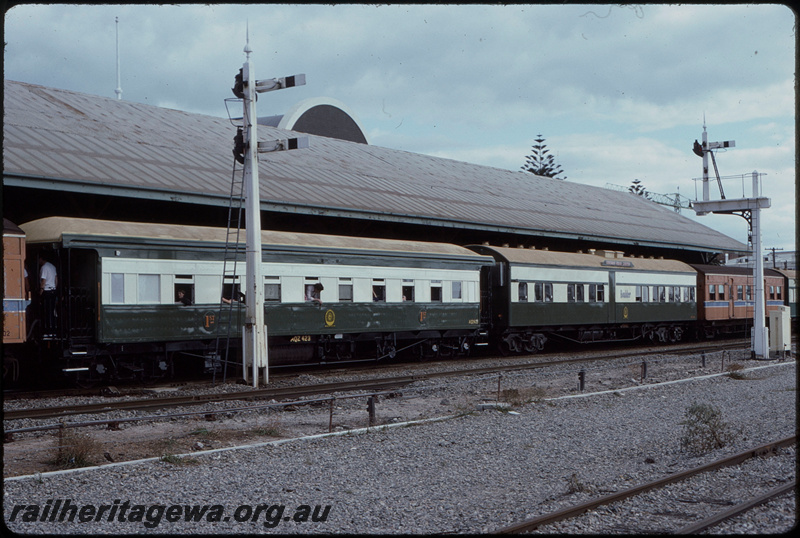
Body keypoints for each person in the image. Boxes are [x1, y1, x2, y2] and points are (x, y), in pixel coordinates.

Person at [39, 257, 58, 337]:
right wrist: (55, 288)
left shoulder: (44, 267)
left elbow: (43, 281)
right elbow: (56, 279)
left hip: (46, 291)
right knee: (52, 311)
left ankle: (47, 332)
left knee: (46, 312)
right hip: (53, 290)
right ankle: (53, 331)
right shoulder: (53, 266)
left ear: (41, 258)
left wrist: (40, 291)